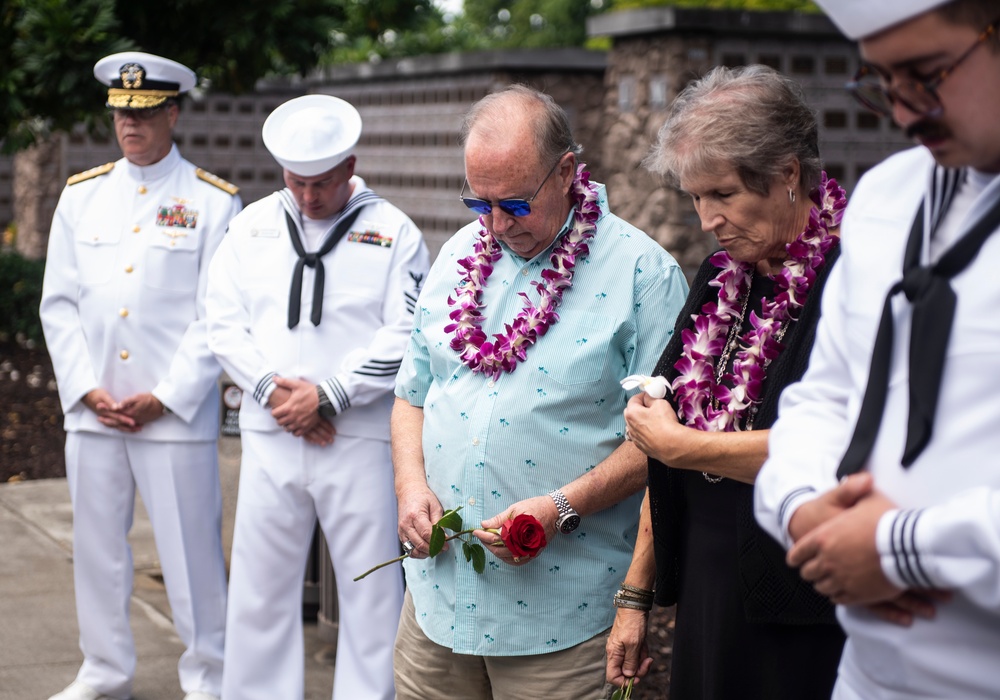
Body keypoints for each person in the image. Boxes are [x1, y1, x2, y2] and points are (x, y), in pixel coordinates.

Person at [391, 84, 689, 700]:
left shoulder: (643, 273)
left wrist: (561, 508)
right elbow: (412, 393)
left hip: (562, 615)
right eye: (479, 203)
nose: (497, 225)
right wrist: (411, 487)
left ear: (566, 173)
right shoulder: (456, 256)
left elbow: (665, 440)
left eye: (516, 205)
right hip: (437, 602)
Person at [754, 0, 1000, 697]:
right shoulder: (887, 195)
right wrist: (802, 510)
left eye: (927, 74)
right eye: (885, 83)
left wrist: (901, 549)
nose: (903, 114)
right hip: (867, 678)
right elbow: (825, 394)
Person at [605, 65, 848, 699]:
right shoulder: (719, 277)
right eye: (695, 198)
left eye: (723, 194)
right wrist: (635, 595)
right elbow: (663, 432)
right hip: (710, 582)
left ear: (787, 174)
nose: (708, 218)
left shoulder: (851, 282)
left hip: (801, 598)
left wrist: (683, 447)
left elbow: (834, 447)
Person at [205, 93, 429, 700]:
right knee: (258, 587)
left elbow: (410, 330)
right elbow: (221, 321)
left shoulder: (394, 232)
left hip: (355, 437)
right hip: (271, 432)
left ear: (350, 165)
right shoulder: (250, 226)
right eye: (297, 181)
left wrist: (330, 393)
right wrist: (278, 396)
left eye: (323, 182)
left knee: (370, 589)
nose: (308, 196)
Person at [40, 52, 241, 700]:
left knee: (191, 559)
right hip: (93, 410)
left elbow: (217, 315)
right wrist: (83, 387)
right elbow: (60, 303)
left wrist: (166, 395)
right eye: (122, 113)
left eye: (146, 112)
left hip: (171, 415)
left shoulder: (213, 203)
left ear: (173, 112)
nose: (131, 124)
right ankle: (103, 671)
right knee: (97, 554)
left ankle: (211, 675)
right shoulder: (81, 195)